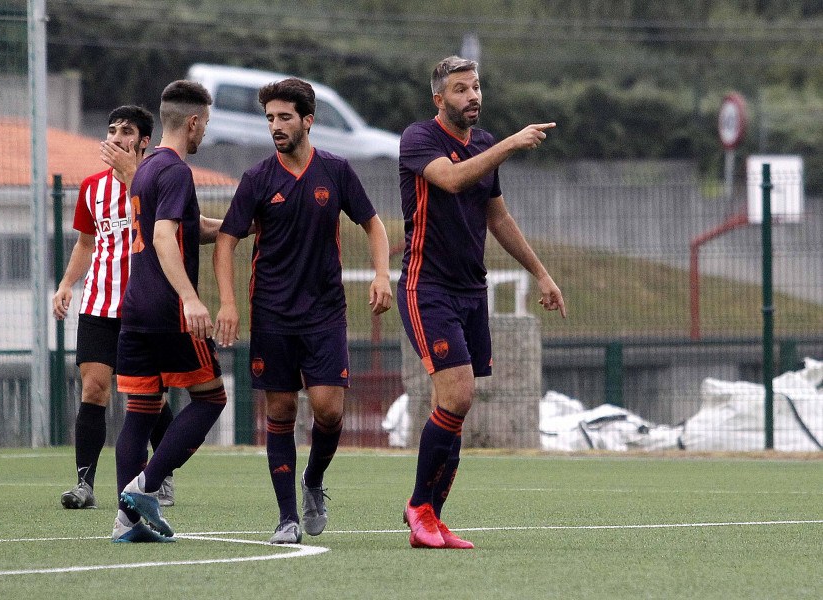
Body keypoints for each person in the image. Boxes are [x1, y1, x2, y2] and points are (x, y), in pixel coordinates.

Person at [214, 77, 392, 544]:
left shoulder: (335, 170)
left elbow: (374, 225)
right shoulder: (257, 178)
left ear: (307, 121)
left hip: (325, 312)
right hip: (271, 312)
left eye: (284, 117)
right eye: (269, 118)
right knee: (281, 408)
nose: (275, 126)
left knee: (329, 411)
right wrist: (228, 302)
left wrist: (380, 274)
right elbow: (227, 240)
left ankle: (313, 481)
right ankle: (287, 517)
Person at [398, 56, 566, 549]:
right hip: (426, 287)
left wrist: (541, 272)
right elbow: (451, 180)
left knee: (456, 406)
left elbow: (498, 217)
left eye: (475, 87)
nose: (472, 96)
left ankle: (432, 517)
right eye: (460, 89)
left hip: (472, 290)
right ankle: (417, 507)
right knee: (457, 395)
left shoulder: (486, 144)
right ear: (439, 99)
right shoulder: (418, 139)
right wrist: (512, 143)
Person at [112, 80, 228, 543]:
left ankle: (126, 523)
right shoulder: (177, 171)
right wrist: (191, 298)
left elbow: (188, 228)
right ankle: (145, 489)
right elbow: (164, 238)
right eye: (205, 126)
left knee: (139, 413)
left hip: (135, 308)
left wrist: (240, 225)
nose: (203, 135)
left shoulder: (144, 170)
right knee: (211, 398)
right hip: (168, 309)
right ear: (194, 122)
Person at [53, 105, 176, 510]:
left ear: (144, 141)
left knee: (148, 395)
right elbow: (87, 244)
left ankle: (161, 474)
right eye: (111, 129)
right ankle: (85, 485)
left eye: (126, 131)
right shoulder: (91, 187)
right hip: (98, 306)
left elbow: (176, 229)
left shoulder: (156, 181)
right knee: (93, 388)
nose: (116, 137)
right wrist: (66, 284)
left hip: (142, 305)